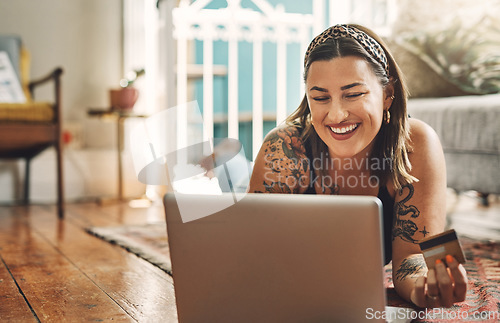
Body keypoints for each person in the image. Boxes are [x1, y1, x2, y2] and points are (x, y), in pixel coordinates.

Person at [248, 24, 467, 308]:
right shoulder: (285, 149)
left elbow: (411, 256)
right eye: (320, 98)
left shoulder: (415, 144)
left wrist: (423, 287)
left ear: (388, 94)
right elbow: (251, 250)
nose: (336, 115)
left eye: (353, 94)